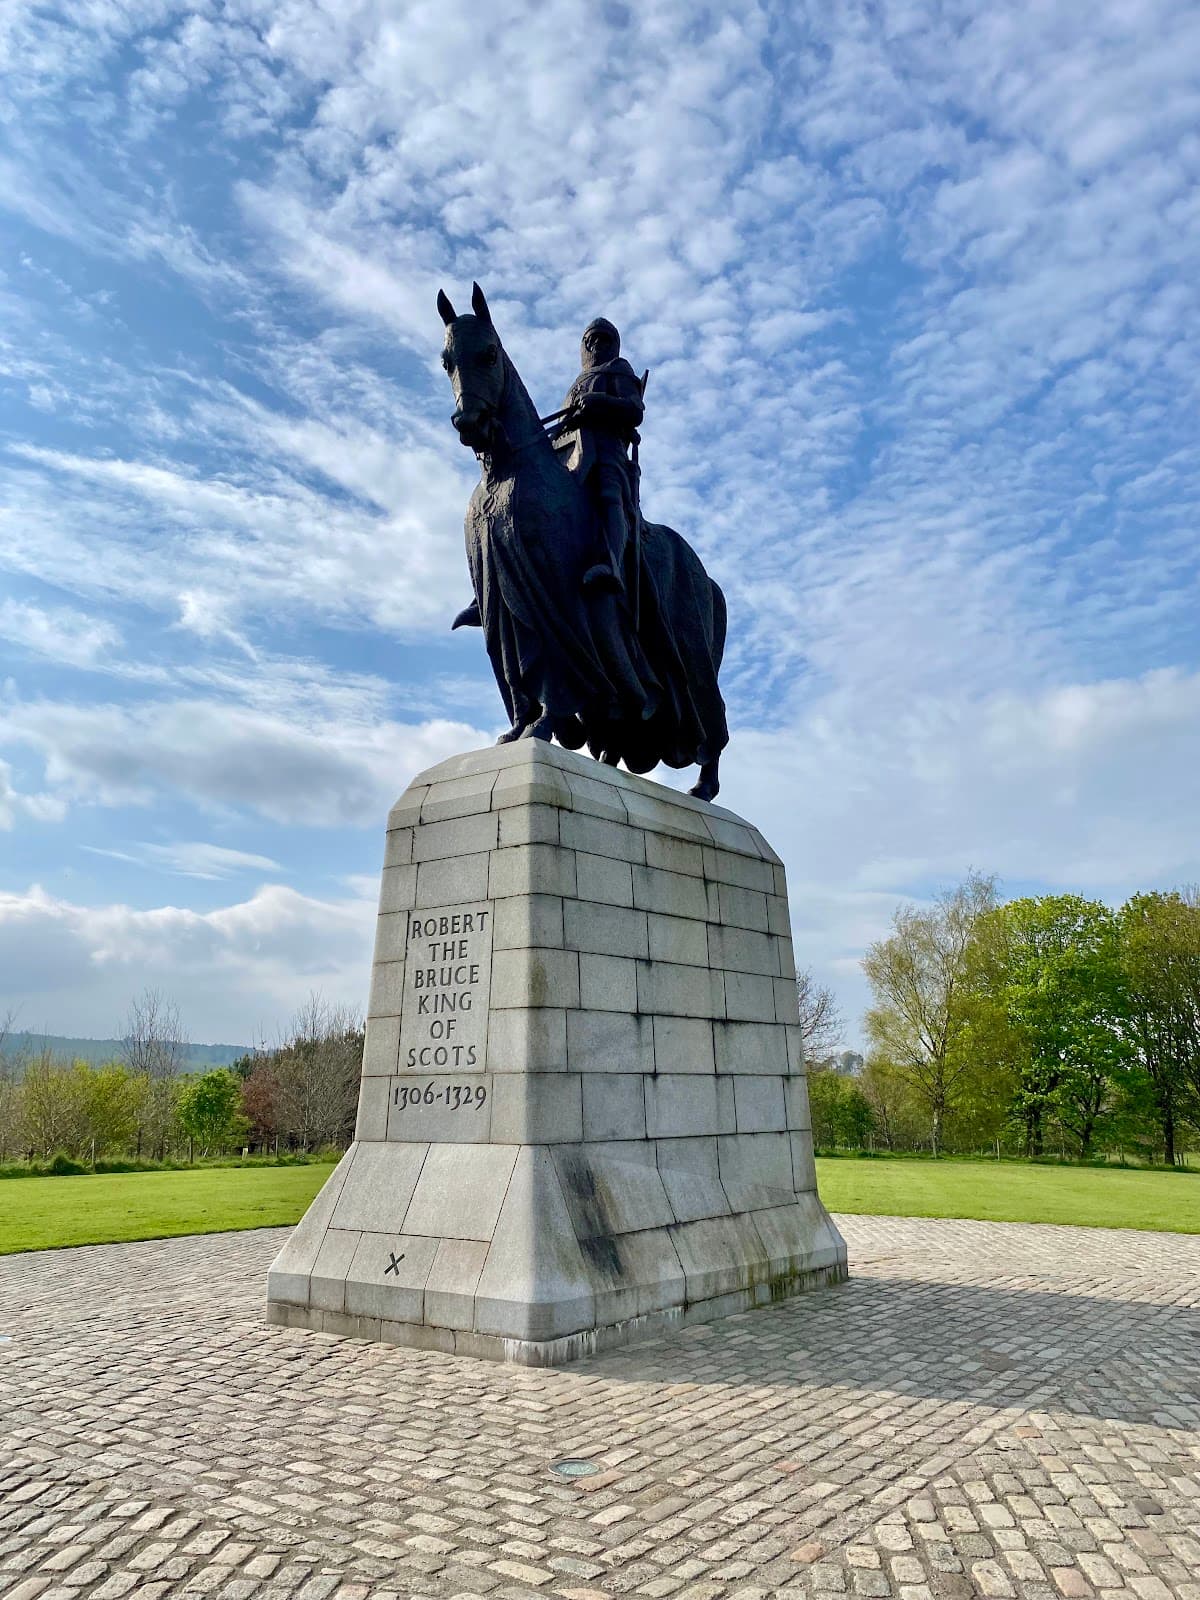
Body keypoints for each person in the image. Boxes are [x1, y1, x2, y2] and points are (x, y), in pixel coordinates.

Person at [555, 317, 645, 599]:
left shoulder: (618, 369)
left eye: (602, 339)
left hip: (607, 450)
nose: (595, 344)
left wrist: (599, 403)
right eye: (590, 340)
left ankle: (611, 564)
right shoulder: (575, 384)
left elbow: (634, 410)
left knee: (609, 494)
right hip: (570, 456)